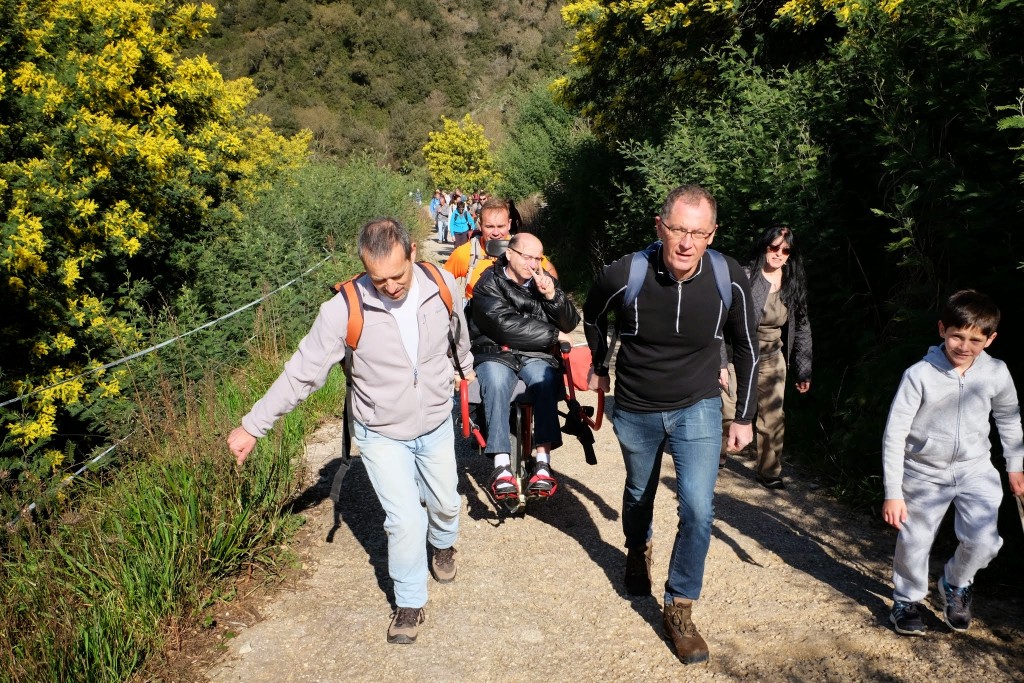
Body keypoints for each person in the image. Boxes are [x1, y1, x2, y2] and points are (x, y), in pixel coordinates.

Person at [226, 218, 474, 645]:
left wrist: (464, 371)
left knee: (447, 502)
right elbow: (300, 374)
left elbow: (458, 335)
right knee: (403, 520)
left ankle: (444, 540)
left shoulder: (441, 285)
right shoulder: (344, 309)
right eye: (379, 280)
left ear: (412, 252)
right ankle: (410, 603)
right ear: (364, 267)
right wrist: (253, 425)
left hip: (434, 420)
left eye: (397, 275)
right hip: (380, 431)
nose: (391, 287)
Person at [582, 184, 758, 665]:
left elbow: (747, 347)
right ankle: (637, 548)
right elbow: (593, 315)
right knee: (639, 492)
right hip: (636, 406)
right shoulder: (626, 273)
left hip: (698, 406)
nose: (686, 242)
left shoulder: (730, 277)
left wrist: (743, 415)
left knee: (699, 509)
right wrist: (599, 363)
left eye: (698, 233)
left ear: (712, 234)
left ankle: (679, 606)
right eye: (678, 229)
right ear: (659, 226)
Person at [881, 289, 1024, 637]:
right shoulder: (919, 374)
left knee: (985, 541)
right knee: (915, 539)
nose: (964, 346)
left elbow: (1008, 419)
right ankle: (907, 599)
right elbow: (894, 434)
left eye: (975, 339)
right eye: (957, 335)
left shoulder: (997, 373)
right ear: (942, 329)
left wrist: (1015, 466)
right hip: (923, 472)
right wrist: (892, 492)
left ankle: (956, 583)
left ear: (990, 339)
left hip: (976, 470)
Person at [470, 233, 580, 500]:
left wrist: (552, 296)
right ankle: (501, 467)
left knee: (545, 379)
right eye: (527, 256)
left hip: (535, 354)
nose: (533, 263)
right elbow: (504, 325)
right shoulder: (488, 283)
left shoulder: (544, 281)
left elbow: (570, 323)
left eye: (537, 258)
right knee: (496, 381)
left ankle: (543, 462)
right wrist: (553, 336)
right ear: (509, 254)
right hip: (496, 351)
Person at [719, 225, 812, 489]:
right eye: (774, 247)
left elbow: (803, 326)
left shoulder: (793, 283)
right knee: (727, 410)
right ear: (763, 247)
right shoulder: (744, 277)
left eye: (785, 250)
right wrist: (720, 362)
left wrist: (803, 370)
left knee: (773, 416)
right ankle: (718, 456)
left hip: (771, 357)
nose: (779, 254)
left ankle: (769, 471)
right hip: (736, 354)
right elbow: (718, 320)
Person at [444, 198, 558, 302]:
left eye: (500, 226)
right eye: (489, 227)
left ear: (509, 224)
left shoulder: (524, 248)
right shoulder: (465, 253)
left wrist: (547, 289)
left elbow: (549, 270)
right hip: (477, 320)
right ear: (480, 225)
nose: (495, 233)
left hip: (518, 321)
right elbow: (441, 283)